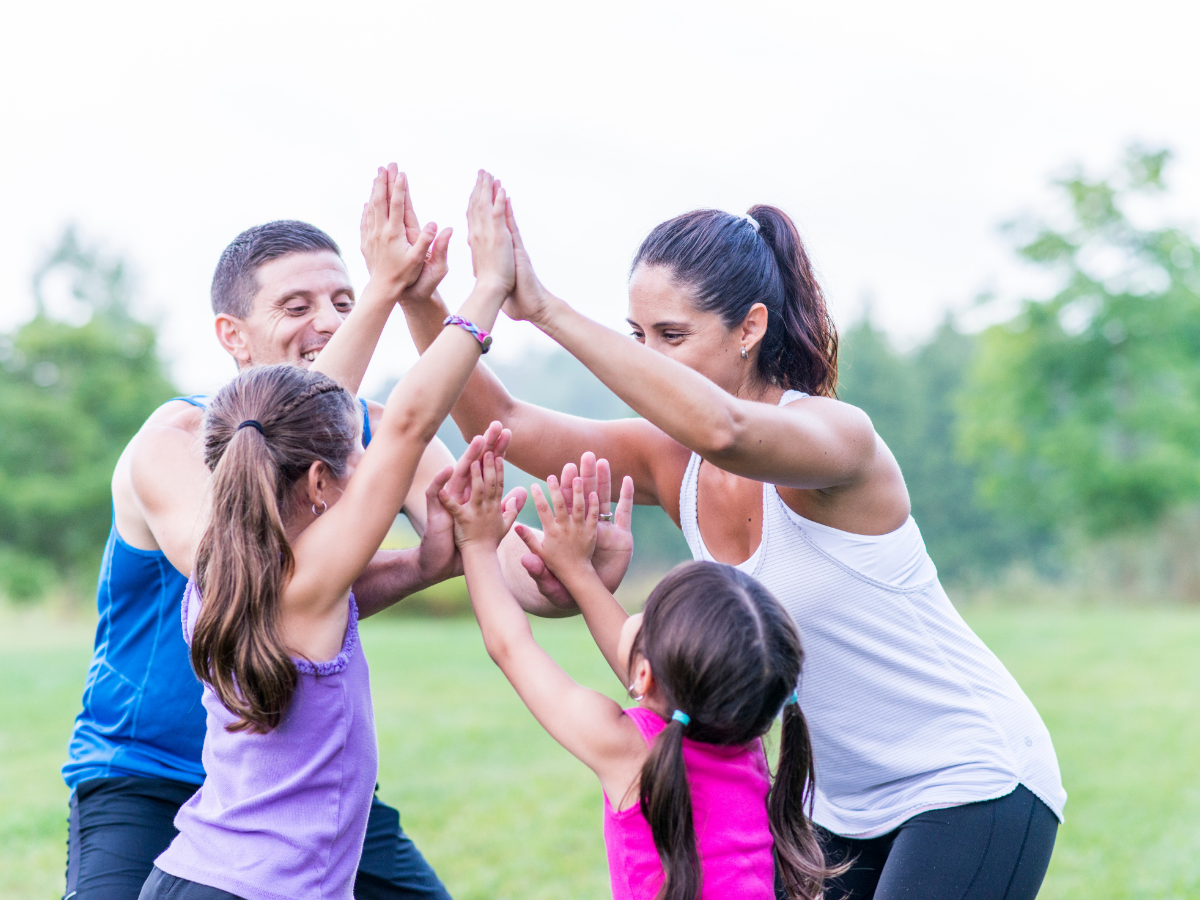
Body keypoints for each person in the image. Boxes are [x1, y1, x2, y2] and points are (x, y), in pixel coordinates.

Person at [398, 191, 1067, 900]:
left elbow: (728, 431)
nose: (648, 359)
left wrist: (546, 309)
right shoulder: (673, 460)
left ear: (749, 329)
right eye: (638, 336)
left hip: (970, 777)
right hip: (836, 810)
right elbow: (502, 419)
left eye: (671, 335)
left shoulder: (838, 439)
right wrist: (423, 303)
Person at [63, 167, 631, 900]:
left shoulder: (369, 428)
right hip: (145, 772)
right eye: (296, 305)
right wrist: (396, 294)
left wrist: (575, 567)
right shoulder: (173, 441)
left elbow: (498, 562)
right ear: (230, 335)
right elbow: (263, 569)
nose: (329, 320)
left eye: (343, 299)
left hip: (298, 775)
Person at [139, 171, 525, 900]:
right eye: (350, 461)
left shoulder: (221, 567)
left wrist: (426, 559)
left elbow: (320, 414)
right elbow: (408, 420)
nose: (363, 470)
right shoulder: (309, 578)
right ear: (320, 484)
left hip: (190, 875)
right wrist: (486, 292)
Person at [438, 446, 836, 900]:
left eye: (642, 615)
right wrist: (577, 572)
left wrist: (476, 543)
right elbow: (662, 672)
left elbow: (511, 647)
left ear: (645, 675)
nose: (629, 621)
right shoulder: (742, 738)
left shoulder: (627, 749)